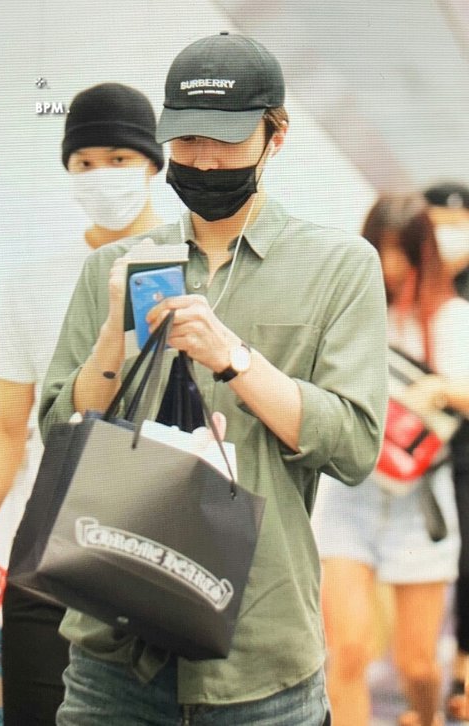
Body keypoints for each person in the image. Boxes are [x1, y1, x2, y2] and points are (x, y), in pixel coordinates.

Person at [39, 32, 388, 726]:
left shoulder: (340, 267)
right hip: (112, 647)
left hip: (260, 657)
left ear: (276, 136)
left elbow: (354, 446)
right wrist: (113, 336)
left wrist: (236, 359)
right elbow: (60, 433)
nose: (202, 159)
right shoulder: (116, 265)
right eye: (188, 138)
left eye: (225, 140)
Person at [0, 82, 164, 725]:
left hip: (158, 540)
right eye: (84, 162)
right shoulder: (30, 283)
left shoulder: (184, 267)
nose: (101, 174)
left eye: (118, 158)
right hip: (46, 544)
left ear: (151, 163)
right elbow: (6, 428)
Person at [312, 193, 469, 726]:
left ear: (424, 252)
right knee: (348, 650)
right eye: (381, 249)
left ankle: (425, 718)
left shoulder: (452, 318)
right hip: (349, 492)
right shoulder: (352, 310)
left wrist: (440, 389)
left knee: (417, 665)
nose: (391, 264)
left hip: (420, 502)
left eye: (403, 251)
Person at [422, 182, 469, 722]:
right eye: (437, 224)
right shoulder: (416, 285)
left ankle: (462, 669)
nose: (448, 235)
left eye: (458, 224)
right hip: (424, 448)